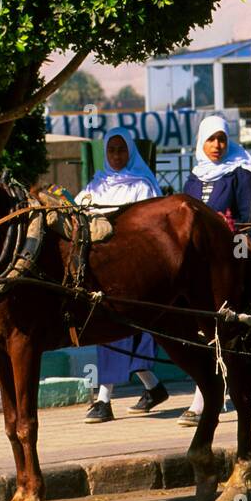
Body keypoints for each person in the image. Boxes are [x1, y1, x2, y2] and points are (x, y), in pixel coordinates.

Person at [176, 114, 251, 426]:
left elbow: (247, 221)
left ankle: (237, 396)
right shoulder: (194, 177)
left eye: (222, 139)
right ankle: (206, 396)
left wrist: (237, 257)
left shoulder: (240, 172)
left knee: (230, 329)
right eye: (211, 139)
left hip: (231, 261)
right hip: (200, 265)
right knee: (201, 329)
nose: (217, 145)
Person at [81, 128, 168, 424]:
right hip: (103, 268)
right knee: (114, 328)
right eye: (112, 150)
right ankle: (153, 388)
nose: (116, 155)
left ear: (130, 152)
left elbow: (152, 226)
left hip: (133, 269)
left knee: (118, 329)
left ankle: (103, 400)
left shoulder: (143, 185)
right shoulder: (97, 184)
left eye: (121, 150)